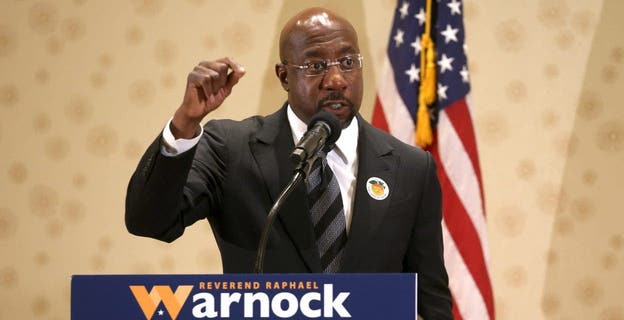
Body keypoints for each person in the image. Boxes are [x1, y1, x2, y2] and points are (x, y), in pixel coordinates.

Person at [125, 7, 452, 319]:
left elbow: (430, 299)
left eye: (348, 61)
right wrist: (185, 123)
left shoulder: (410, 167)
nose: (336, 79)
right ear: (284, 76)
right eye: (315, 66)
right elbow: (150, 221)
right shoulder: (231, 148)